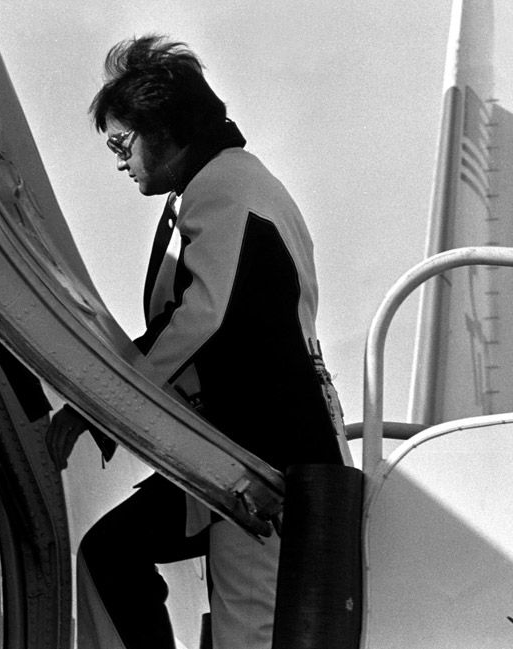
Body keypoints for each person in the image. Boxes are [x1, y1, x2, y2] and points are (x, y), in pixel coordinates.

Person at [46, 35, 349, 649]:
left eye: (121, 142)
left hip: (264, 459)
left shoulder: (227, 186)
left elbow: (203, 318)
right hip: (236, 454)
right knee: (112, 554)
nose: (119, 161)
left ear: (166, 126)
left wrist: (103, 403)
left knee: (248, 634)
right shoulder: (219, 186)